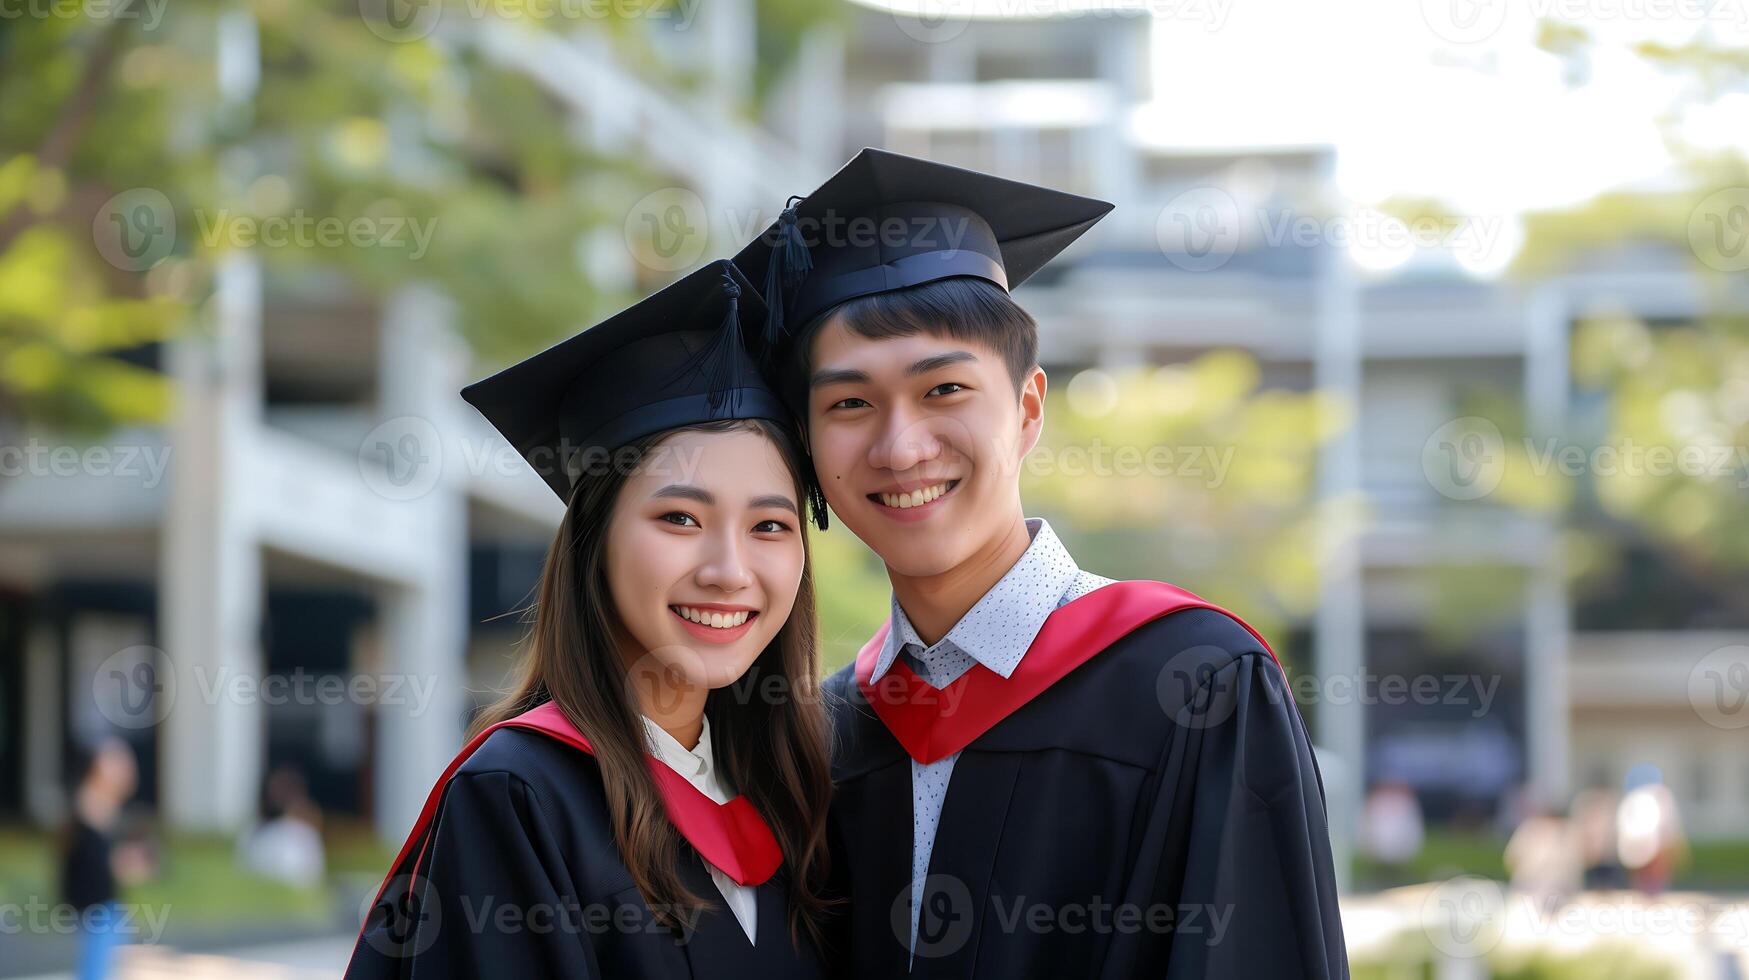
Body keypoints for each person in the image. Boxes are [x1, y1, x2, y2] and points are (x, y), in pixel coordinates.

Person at [734, 147, 1349, 978]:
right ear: (807, 446)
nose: (900, 445)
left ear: (1026, 411)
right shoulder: (825, 735)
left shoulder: (1197, 684)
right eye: (849, 403)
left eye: (943, 390)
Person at [346, 260, 835, 979]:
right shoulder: (519, 794)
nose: (729, 569)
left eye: (769, 525)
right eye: (679, 517)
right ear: (592, 540)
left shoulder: (795, 796)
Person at [60, 736, 140, 980]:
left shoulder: (104, 804)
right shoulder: (89, 802)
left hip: (105, 902)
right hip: (94, 905)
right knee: (96, 968)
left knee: (106, 964)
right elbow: (93, 858)